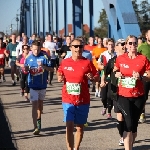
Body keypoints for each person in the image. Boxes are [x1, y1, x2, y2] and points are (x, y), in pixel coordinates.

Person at [57, 39, 99, 150]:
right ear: (70, 48)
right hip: (68, 99)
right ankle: (70, 149)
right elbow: (59, 72)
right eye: (75, 46)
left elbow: (97, 77)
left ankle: (76, 148)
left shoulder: (87, 62)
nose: (78, 49)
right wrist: (60, 77)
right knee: (69, 126)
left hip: (83, 99)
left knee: (80, 128)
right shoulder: (65, 62)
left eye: (80, 46)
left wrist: (93, 78)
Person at [114, 35, 150, 150]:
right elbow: (115, 70)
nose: (132, 45)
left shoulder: (143, 59)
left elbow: (149, 75)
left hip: (138, 95)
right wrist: (117, 74)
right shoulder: (120, 58)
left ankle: (129, 142)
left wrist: (141, 77)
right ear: (126, 45)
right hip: (123, 95)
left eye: (135, 43)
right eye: (130, 43)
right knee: (128, 123)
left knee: (134, 126)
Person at [100, 39, 126, 146]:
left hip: (129, 92)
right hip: (116, 92)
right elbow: (104, 73)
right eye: (122, 44)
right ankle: (123, 136)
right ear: (116, 47)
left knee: (129, 118)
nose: (124, 46)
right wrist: (102, 81)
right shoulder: (112, 61)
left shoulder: (131, 60)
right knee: (120, 116)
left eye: (125, 44)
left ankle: (129, 134)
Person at [24, 40, 53, 135]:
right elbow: (25, 71)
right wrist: (26, 69)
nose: (36, 51)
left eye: (38, 49)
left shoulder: (44, 57)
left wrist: (44, 67)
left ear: (40, 48)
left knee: (40, 105)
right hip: (32, 86)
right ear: (31, 49)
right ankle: (35, 126)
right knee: (34, 105)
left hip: (42, 85)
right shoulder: (28, 58)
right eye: (34, 49)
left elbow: (52, 69)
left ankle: (39, 120)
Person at [98, 38, 116, 119]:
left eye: (112, 44)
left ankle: (109, 113)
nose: (111, 46)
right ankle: (105, 106)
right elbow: (99, 65)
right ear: (107, 45)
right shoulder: (103, 54)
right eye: (109, 44)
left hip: (112, 77)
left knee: (110, 95)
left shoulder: (117, 55)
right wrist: (105, 68)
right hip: (104, 76)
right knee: (103, 96)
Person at [138, 30, 150, 123]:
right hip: (146, 75)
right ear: (146, 36)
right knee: (144, 96)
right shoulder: (142, 47)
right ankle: (142, 112)